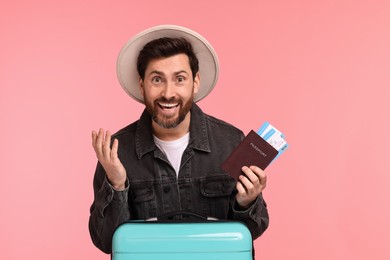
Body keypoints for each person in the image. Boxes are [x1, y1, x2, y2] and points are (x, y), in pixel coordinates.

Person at [89, 25, 269, 257]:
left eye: (180, 79)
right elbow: (105, 242)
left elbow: (253, 231)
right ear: (142, 85)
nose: (168, 92)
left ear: (195, 83)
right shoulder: (116, 152)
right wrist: (117, 184)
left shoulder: (231, 141)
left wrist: (246, 203)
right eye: (157, 79)